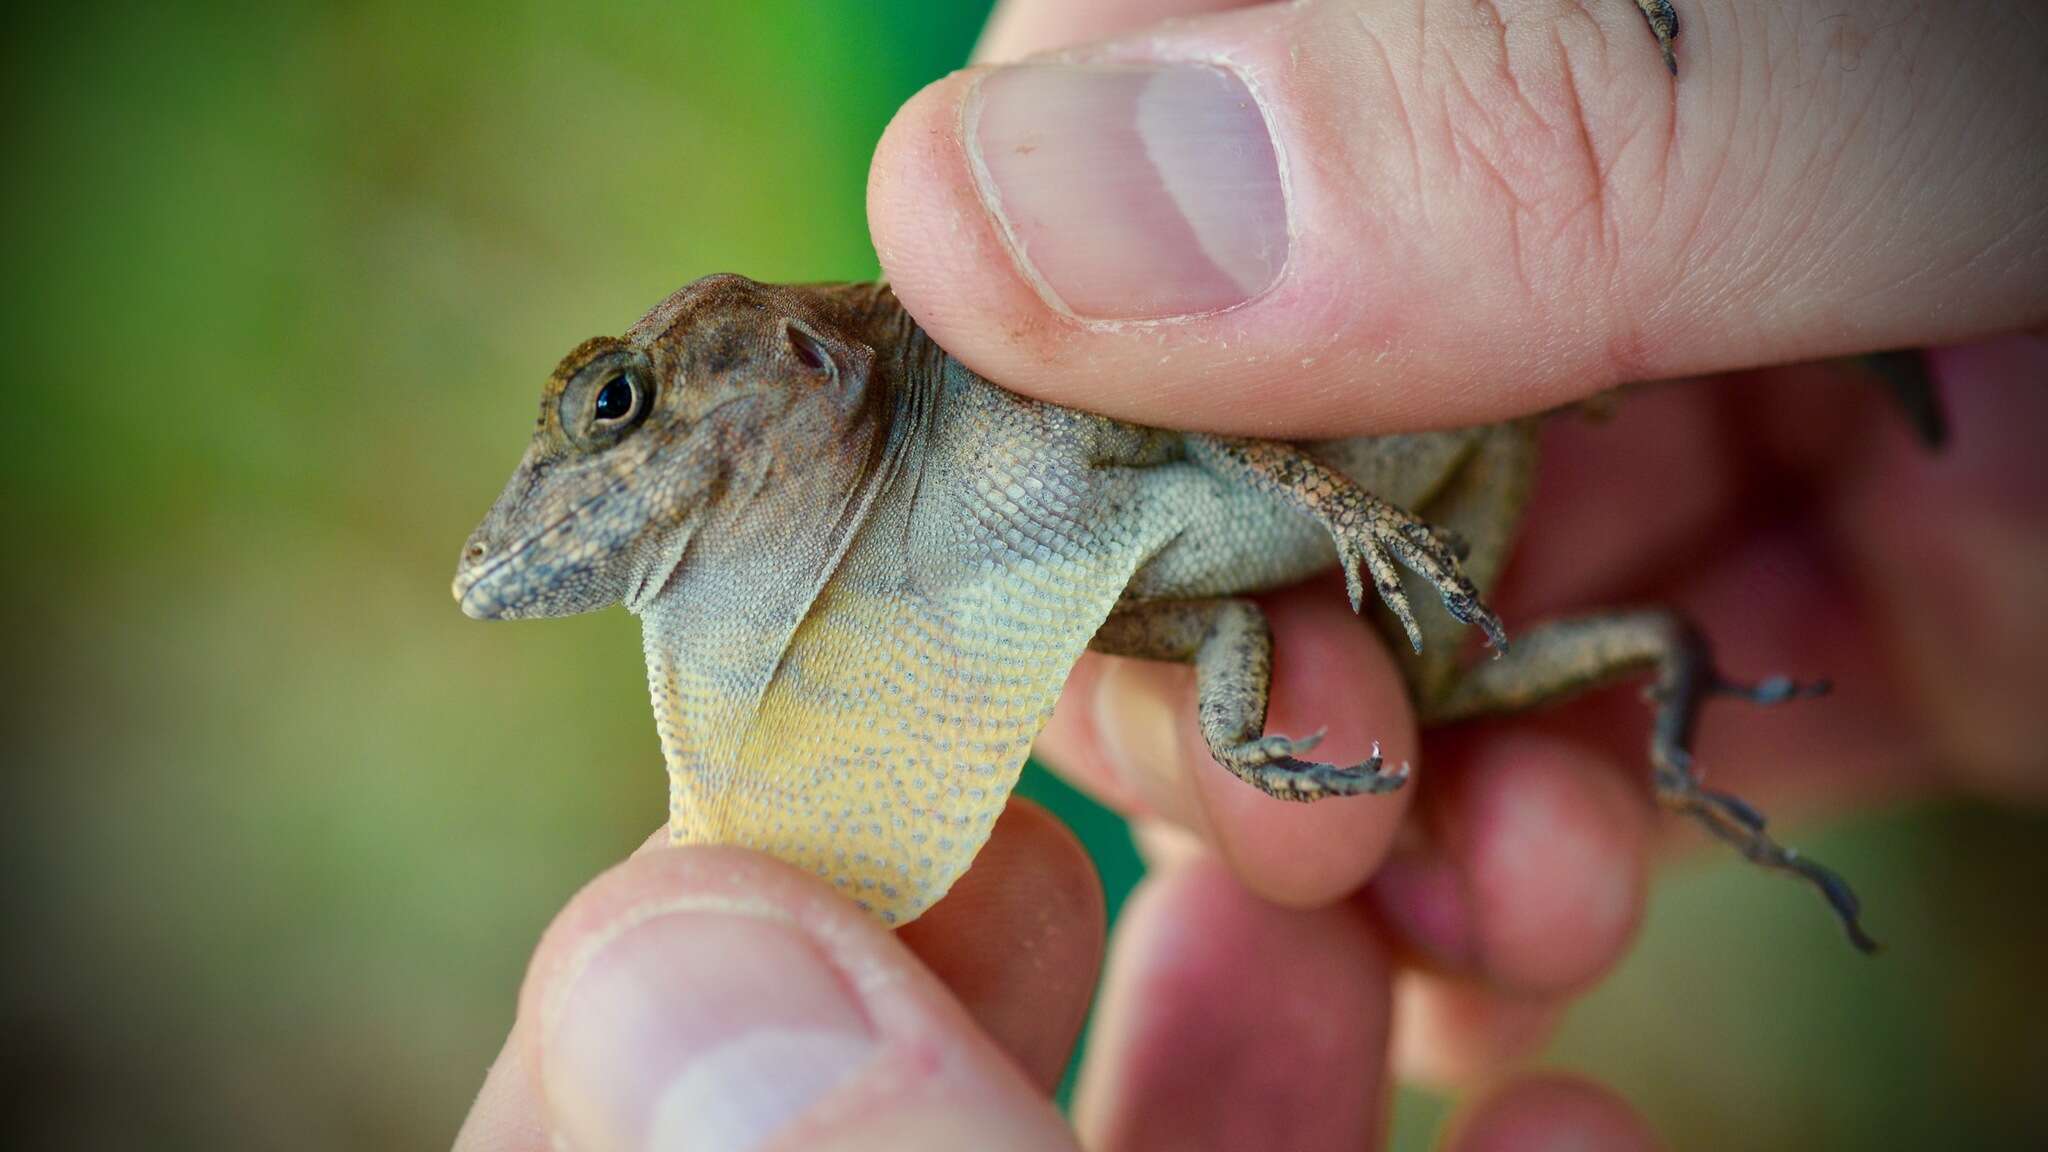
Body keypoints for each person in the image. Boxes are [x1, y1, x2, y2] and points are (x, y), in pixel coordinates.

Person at [455, 2, 2046, 1148]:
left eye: (621, 407)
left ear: (792, 352)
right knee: (1421, 714)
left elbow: (1205, 426)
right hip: (1476, 460)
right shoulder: (988, 482)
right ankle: (1662, 661)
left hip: (1449, 402)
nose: (606, 465)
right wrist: (1231, 730)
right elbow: (1215, 605)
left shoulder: (992, 348)